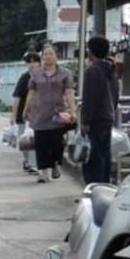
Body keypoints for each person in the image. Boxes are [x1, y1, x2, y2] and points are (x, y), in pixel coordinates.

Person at [26, 43, 77, 183]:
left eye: (50, 54)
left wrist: (73, 111)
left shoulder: (64, 74)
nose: (48, 57)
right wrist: (26, 110)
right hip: (39, 114)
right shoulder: (36, 75)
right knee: (41, 144)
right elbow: (31, 93)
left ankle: (55, 163)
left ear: (56, 56)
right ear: (42, 57)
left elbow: (69, 93)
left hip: (57, 115)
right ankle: (43, 173)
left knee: (56, 143)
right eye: (45, 54)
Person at [80, 35, 119, 184]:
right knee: (105, 155)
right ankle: (104, 185)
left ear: (91, 51)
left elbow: (90, 98)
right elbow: (115, 95)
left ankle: (93, 188)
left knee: (93, 156)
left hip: (95, 120)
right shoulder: (111, 70)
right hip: (108, 117)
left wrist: (85, 121)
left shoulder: (92, 70)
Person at [9, 51, 40, 173]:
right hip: (23, 114)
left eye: (35, 62)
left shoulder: (43, 77)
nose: (32, 65)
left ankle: (34, 164)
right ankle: (27, 161)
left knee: (35, 140)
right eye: (29, 62)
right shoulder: (24, 78)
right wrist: (13, 115)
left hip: (39, 114)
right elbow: (17, 97)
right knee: (25, 141)